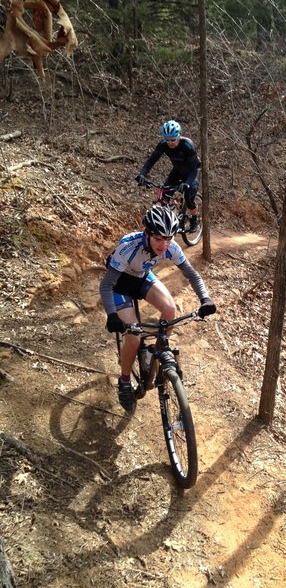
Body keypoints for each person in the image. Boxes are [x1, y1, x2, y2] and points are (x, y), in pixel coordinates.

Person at [99, 206, 216, 412]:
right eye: (158, 239)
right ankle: (125, 381)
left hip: (141, 277)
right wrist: (111, 315)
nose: (164, 245)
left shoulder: (171, 247)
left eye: (168, 238)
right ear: (147, 233)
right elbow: (106, 284)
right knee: (133, 337)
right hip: (120, 285)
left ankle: (157, 349)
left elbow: (192, 274)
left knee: (170, 309)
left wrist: (205, 299)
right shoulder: (129, 246)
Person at [135, 120, 201, 233]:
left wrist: (187, 183)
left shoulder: (187, 145)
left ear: (179, 135)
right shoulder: (163, 145)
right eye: (167, 139)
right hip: (177, 170)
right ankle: (171, 219)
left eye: (173, 139)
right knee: (165, 193)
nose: (170, 142)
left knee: (189, 197)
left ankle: (195, 219)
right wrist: (142, 174)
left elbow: (194, 169)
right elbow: (151, 161)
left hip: (192, 172)